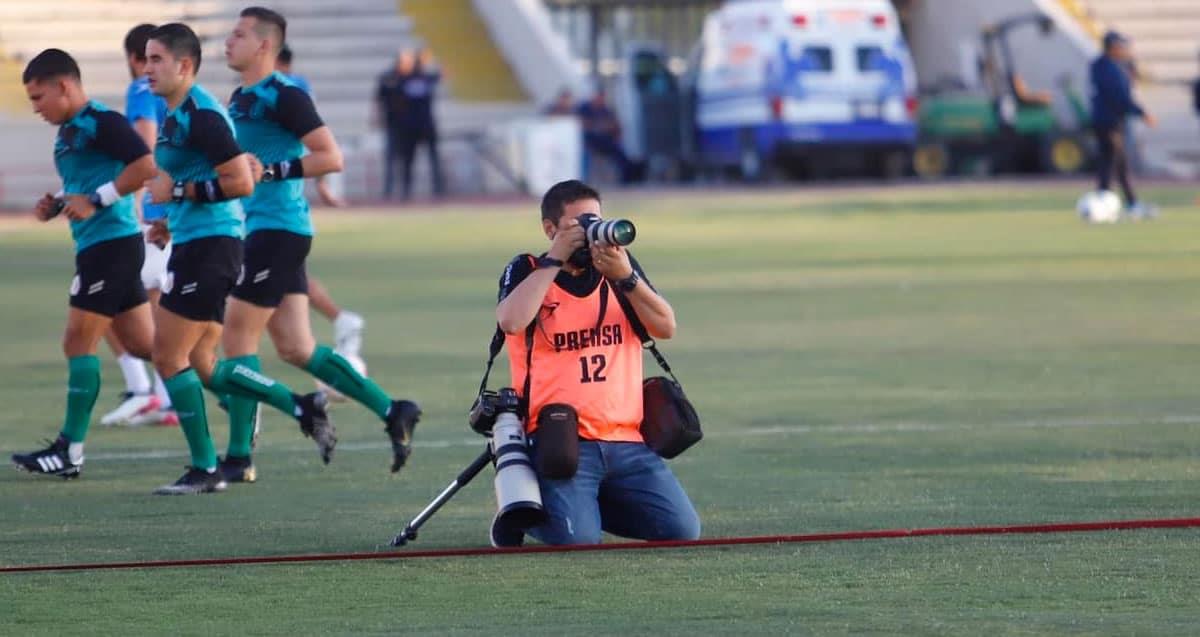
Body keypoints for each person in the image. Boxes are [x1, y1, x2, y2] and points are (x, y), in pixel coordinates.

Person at [221, 7, 420, 482]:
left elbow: (331, 157)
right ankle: (392, 409)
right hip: (268, 229)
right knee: (295, 348)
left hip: (277, 230)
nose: (228, 42)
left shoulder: (284, 95)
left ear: (264, 45)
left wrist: (271, 171)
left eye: (239, 34)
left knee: (235, 343)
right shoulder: (239, 96)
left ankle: (238, 458)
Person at [143, 22, 334, 495]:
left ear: (184, 65)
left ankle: (207, 466)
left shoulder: (203, 115)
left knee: (169, 354)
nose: (146, 69)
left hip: (213, 248)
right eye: (145, 59)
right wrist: (173, 216)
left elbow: (241, 182)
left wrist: (179, 192)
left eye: (156, 60)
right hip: (197, 241)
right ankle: (293, 410)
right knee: (204, 359)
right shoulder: (177, 112)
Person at [492, 179, 700, 546]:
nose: (590, 234)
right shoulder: (529, 268)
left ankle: (581, 505)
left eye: (595, 221)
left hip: (627, 438)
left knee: (682, 531)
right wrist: (554, 259)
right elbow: (511, 321)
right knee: (579, 541)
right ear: (550, 229)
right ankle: (523, 516)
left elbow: (666, 327)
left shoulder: (619, 269)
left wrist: (627, 277)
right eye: (579, 225)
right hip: (562, 438)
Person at [10, 48, 158, 478]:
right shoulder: (70, 131)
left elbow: (146, 165)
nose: (35, 107)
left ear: (64, 86)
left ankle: (68, 450)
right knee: (150, 349)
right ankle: (237, 392)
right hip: (101, 247)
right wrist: (56, 203)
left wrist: (97, 199)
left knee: (77, 343)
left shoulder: (103, 121)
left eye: (39, 98)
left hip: (111, 247)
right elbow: (84, 184)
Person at [99, 23, 179, 428]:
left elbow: (144, 144)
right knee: (150, 301)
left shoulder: (141, 89)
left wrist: (131, 198)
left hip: (150, 212)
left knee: (106, 299)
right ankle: (161, 396)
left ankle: (148, 391)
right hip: (170, 210)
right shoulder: (177, 94)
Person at [1089, 31, 1156, 218]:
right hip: (1109, 121)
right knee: (1114, 162)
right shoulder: (1109, 68)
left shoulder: (1104, 65)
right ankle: (1120, 203)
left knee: (1112, 162)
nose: (1124, 50)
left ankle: (1114, 202)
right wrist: (1142, 113)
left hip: (1107, 120)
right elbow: (1120, 97)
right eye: (1121, 46)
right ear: (1113, 47)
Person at [274, 43, 344, 208]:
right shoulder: (301, 82)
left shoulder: (278, 84)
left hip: (289, 134)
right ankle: (323, 189)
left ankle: (318, 190)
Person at [397, 47, 444, 200]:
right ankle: (407, 190)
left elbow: (444, 74)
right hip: (411, 126)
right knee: (409, 161)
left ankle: (438, 188)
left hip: (425, 125)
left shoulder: (428, 77)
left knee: (432, 159)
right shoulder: (405, 79)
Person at [577, 88, 634, 184]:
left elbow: (615, 125)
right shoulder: (584, 107)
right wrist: (599, 125)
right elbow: (582, 124)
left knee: (620, 151)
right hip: (588, 141)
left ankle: (627, 177)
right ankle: (583, 180)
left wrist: (612, 130)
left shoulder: (605, 109)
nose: (600, 100)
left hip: (605, 141)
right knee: (585, 153)